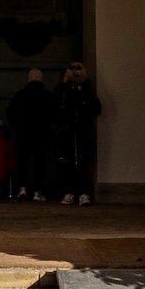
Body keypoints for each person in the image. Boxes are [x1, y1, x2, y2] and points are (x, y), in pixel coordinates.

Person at [51, 61, 101, 206]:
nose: (74, 71)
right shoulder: (62, 89)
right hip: (67, 131)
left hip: (83, 131)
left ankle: (83, 192)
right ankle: (69, 192)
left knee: (83, 163)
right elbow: (55, 107)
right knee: (67, 163)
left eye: (77, 68)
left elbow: (96, 108)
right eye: (71, 68)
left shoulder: (88, 88)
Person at [5, 68, 55, 202]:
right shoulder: (48, 96)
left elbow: (11, 114)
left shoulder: (20, 95)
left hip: (24, 134)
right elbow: (54, 115)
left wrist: (17, 127)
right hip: (42, 134)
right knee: (40, 163)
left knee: (22, 162)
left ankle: (22, 188)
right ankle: (38, 191)